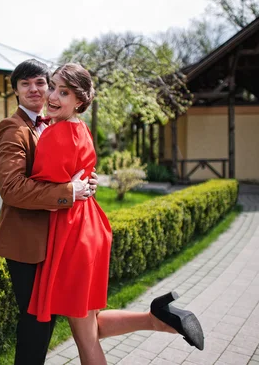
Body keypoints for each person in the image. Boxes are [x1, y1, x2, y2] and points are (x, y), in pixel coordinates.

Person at [27, 63, 204, 364]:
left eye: (64, 92)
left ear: (80, 100)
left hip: (72, 235)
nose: (52, 96)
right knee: (89, 323)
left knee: (85, 340)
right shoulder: (81, 129)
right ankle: (158, 318)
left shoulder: (54, 136)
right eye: (53, 87)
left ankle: (158, 318)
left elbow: (39, 193)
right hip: (91, 227)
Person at [0, 59, 98, 365]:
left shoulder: (52, 125)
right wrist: (69, 192)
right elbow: (11, 188)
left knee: (46, 321)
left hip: (52, 240)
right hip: (26, 243)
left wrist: (87, 181)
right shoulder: (13, 128)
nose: (36, 90)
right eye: (25, 84)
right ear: (15, 92)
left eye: (42, 82)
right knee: (36, 324)